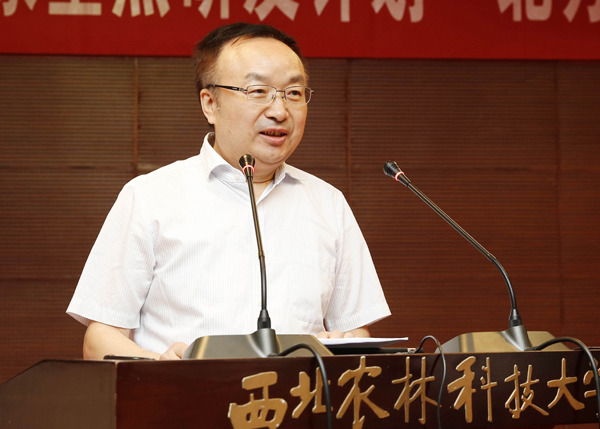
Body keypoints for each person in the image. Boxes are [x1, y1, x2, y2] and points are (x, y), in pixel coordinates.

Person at [67, 23, 390, 360]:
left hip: (296, 394)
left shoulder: (328, 203)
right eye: (258, 91)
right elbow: (101, 338)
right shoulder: (149, 197)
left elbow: (356, 330)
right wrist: (160, 367)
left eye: (293, 93)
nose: (279, 111)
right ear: (210, 104)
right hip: (180, 392)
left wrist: (340, 343)